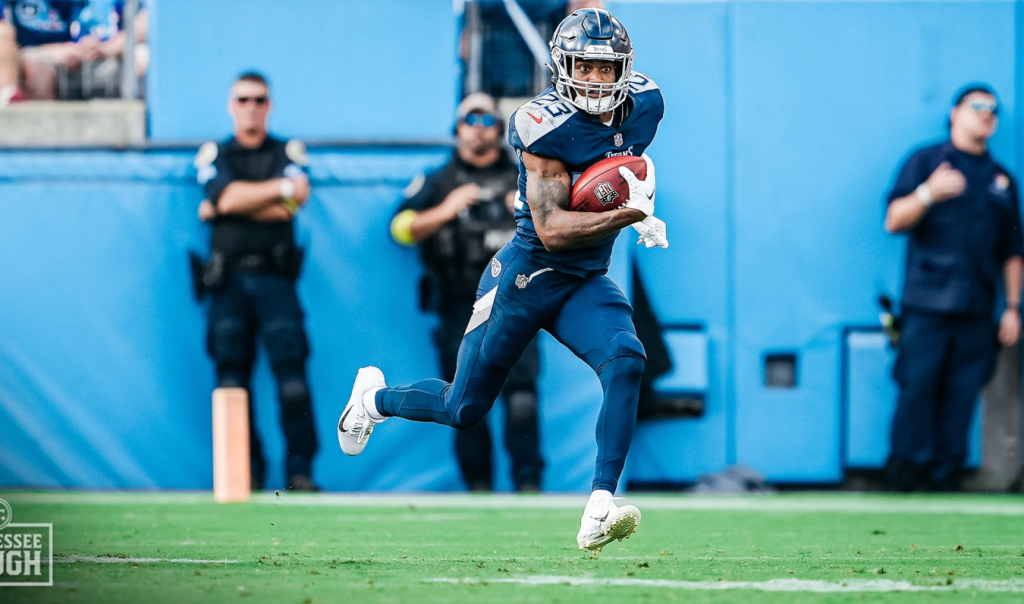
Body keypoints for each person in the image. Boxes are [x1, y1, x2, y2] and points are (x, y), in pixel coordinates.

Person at [339, 8, 668, 551]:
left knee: (627, 359)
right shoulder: (544, 124)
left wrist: (626, 195)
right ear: (563, 68)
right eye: (584, 66)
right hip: (527, 276)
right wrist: (630, 213)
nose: (595, 79)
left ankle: (599, 506)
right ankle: (374, 400)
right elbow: (553, 230)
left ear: (624, 70)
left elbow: (614, 168)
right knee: (462, 408)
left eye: (606, 68)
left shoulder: (646, 105)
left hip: (585, 278)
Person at [391, 92, 543, 492]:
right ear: (457, 129)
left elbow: (562, 231)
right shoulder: (438, 181)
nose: (478, 129)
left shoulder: (525, 177)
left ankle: (529, 487)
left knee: (522, 398)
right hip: (460, 304)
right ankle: (478, 490)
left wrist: (528, 208)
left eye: (486, 120)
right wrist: (446, 209)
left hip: (517, 303)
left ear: (499, 128)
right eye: (469, 120)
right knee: (465, 400)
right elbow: (399, 229)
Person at [884, 83, 1024, 492]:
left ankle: (947, 474)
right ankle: (906, 470)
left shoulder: (1001, 180)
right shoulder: (927, 162)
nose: (986, 113)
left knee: (963, 391)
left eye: (993, 108)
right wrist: (927, 193)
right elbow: (893, 220)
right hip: (927, 303)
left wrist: (1012, 307)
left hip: (977, 307)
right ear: (954, 113)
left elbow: (1013, 251)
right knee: (917, 385)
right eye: (977, 105)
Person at [195, 72, 318, 492]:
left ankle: (300, 471)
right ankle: (245, 472)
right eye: (243, 99)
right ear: (232, 105)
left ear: (270, 105)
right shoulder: (216, 153)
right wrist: (273, 191)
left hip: (276, 279)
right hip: (228, 282)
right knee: (231, 380)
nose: (251, 107)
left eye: (259, 99)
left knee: (293, 381)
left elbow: (290, 205)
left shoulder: (288, 151)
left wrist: (227, 207)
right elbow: (228, 196)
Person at [0, 0, 146, 102]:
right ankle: (41, 132)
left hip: (106, 60)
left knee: (142, 57)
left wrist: (108, 48)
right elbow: (4, 38)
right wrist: (54, 52)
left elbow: (146, 22)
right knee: (33, 63)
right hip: (44, 63)